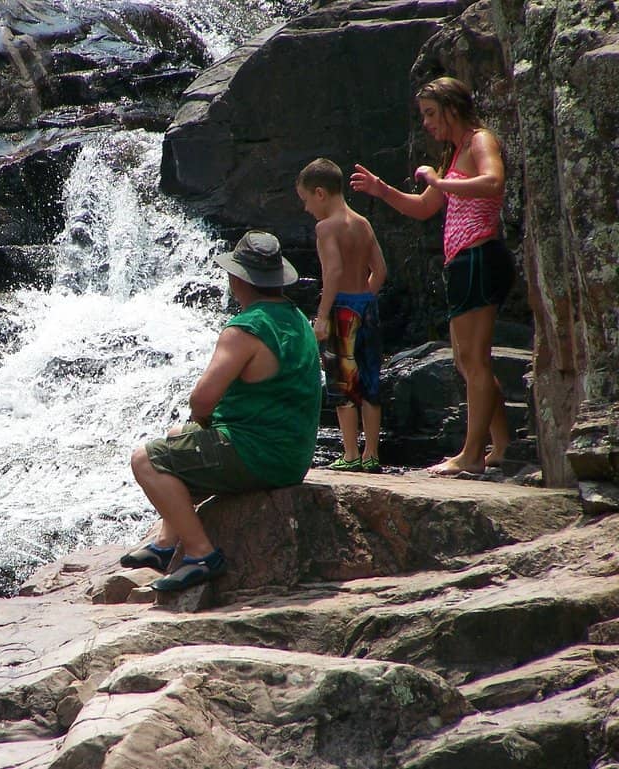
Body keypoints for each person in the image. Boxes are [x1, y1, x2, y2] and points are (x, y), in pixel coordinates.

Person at [121, 231, 321, 591]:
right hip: (293, 455)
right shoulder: (297, 319)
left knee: (146, 460)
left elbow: (201, 401)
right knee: (177, 437)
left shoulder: (245, 328)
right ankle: (166, 543)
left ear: (237, 279)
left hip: (258, 456)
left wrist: (202, 421)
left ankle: (201, 554)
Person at [350, 76, 513, 476]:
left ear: (451, 109)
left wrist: (441, 182)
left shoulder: (479, 141)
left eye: (430, 113)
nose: (425, 123)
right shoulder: (453, 154)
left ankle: (471, 456)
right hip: (462, 264)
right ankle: (501, 445)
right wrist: (381, 189)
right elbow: (424, 207)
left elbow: (494, 181)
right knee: (466, 360)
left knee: (474, 359)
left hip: (479, 257)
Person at [297, 158, 387, 473]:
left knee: (342, 382)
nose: (306, 208)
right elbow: (380, 271)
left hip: (341, 310)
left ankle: (350, 454)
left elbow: (333, 271)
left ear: (320, 193)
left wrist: (323, 316)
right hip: (367, 305)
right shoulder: (363, 223)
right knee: (370, 380)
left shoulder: (325, 228)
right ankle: (371, 454)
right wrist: (364, 300)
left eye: (306, 200)